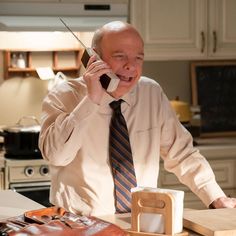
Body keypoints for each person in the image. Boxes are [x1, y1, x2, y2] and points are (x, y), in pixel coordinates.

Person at [39, 21, 236, 216]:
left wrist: (216, 197)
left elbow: (182, 154)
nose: (131, 67)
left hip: (142, 222)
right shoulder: (62, 95)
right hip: (80, 225)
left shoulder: (151, 93)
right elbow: (57, 155)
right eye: (120, 56)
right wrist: (91, 100)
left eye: (138, 58)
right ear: (94, 58)